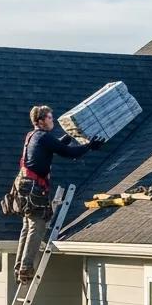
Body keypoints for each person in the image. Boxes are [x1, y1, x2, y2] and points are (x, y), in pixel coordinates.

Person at [12, 105, 103, 283]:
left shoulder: (33, 136)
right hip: (33, 189)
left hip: (23, 187)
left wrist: (70, 136)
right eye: (49, 118)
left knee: (27, 227)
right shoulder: (43, 137)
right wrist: (89, 146)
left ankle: (19, 267)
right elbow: (68, 152)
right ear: (40, 121)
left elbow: (58, 145)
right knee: (36, 226)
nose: (52, 120)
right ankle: (25, 269)